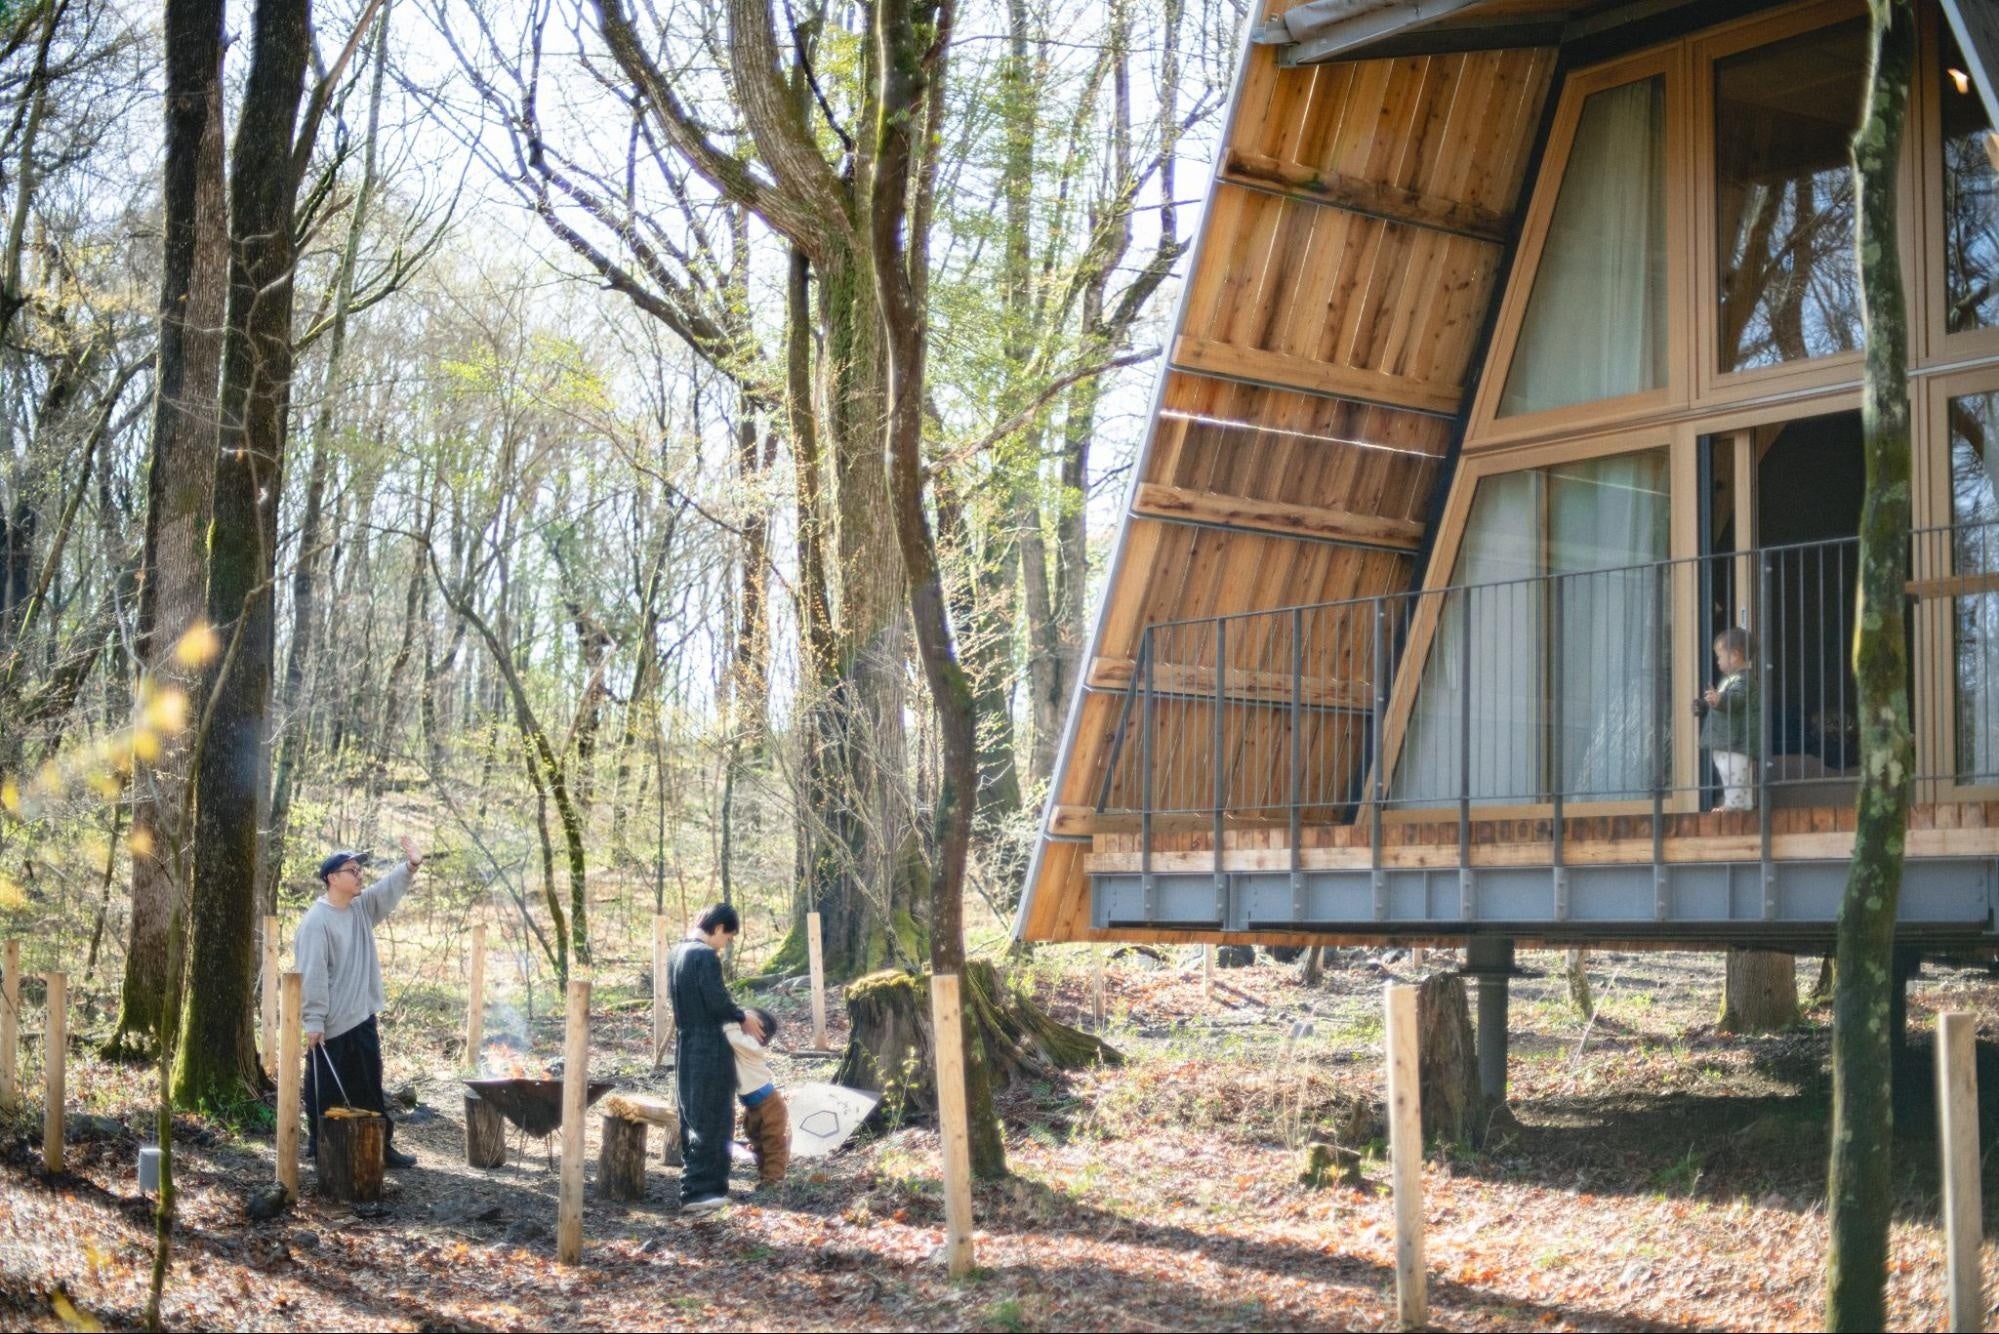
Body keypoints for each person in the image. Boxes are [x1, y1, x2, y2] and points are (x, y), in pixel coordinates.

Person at [296, 835, 425, 1170]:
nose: (359, 875)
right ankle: (321, 1146)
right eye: (352, 870)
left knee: (369, 1086)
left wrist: (410, 866)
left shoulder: (360, 909)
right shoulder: (316, 922)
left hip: (362, 1017)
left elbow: (387, 890)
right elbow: (312, 975)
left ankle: (381, 1146)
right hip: (331, 1024)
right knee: (324, 1089)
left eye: (359, 870)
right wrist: (313, 1021)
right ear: (332, 878)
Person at [670, 904, 765, 1213]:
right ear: (719, 928)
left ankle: (692, 1186)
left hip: (685, 1042)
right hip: (708, 1044)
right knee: (713, 1115)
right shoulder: (704, 956)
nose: (725, 945)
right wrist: (741, 1015)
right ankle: (705, 1190)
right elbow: (716, 1000)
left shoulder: (677, 953)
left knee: (692, 1114)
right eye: (728, 937)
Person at [725, 1006, 789, 1188]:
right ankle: (765, 1177)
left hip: (769, 1103)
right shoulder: (746, 1043)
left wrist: (732, 1015)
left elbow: (729, 1032)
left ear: (759, 1032)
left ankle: (774, 1179)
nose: (742, 1019)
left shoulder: (751, 1046)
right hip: (753, 1105)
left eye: (749, 1019)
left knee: (773, 1141)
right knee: (757, 1141)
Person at [1700, 628, 1760, 811]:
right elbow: (1722, 704)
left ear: (1734, 655)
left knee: (1734, 773)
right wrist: (1704, 705)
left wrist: (1720, 699)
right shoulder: (1730, 679)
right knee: (1728, 773)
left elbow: (1736, 699)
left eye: (1719, 656)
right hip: (1725, 739)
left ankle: (1734, 806)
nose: (1717, 661)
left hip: (1736, 740)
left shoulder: (1744, 680)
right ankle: (1742, 804)